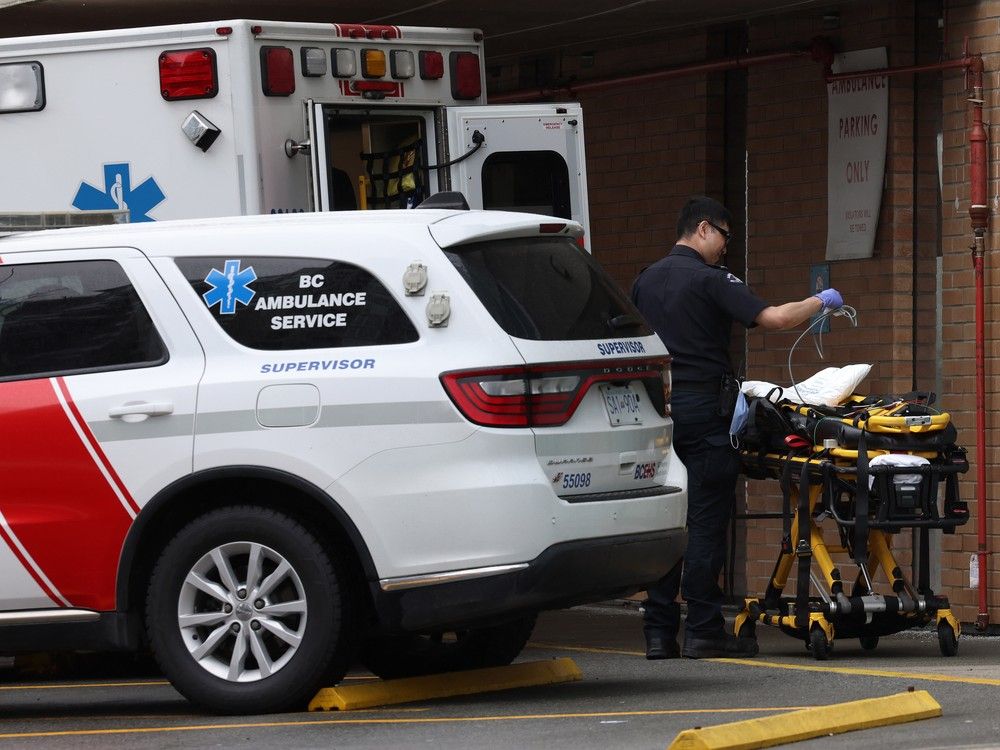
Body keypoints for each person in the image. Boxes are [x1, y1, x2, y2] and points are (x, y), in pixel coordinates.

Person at [630, 196, 844, 660]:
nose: (726, 248)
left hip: (658, 416)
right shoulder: (710, 280)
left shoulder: (645, 280)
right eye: (725, 237)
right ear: (704, 229)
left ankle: (659, 631)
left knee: (667, 520)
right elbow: (776, 319)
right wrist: (821, 299)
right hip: (705, 413)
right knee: (706, 521)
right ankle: (704, 628)